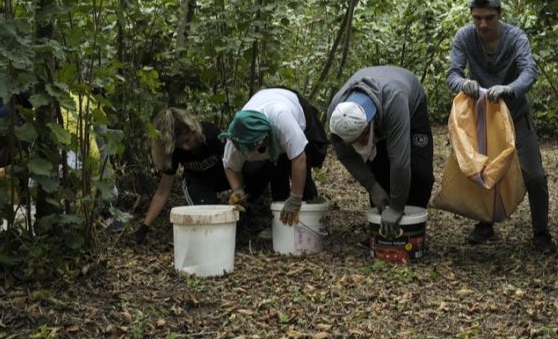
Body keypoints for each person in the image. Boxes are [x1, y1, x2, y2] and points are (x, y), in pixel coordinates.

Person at [445, 0, 555, 253]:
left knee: (535, 175)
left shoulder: (516, 37)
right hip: (482, 119)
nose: (483, 24)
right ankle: (485, 223)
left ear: (499, 14)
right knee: (482, 170)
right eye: (477, 18)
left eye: (489, 18)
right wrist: (465, 84)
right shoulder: (465, 37)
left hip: (516, 115)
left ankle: (541, 232)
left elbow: (529, 71)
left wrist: (509, 89)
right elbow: (453, 74)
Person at [133, 107, 270, 244]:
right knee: (207, 217)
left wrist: (238, 192)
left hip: (223, 175)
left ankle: (248, 210)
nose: (185, 147)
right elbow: (163, 192)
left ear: (193, 130)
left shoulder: (210, 133)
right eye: (180, 145)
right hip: (198, 182)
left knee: (258, 168)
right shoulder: (174, 151)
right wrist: (145, 226)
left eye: (187, 141)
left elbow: (234, 164)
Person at [328, 66, 434, 239]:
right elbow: (346, 155)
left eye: (359, 139)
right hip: (378, 113)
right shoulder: (337, 115)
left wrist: (397, 208)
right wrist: (372, 186)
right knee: (380, 170)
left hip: (409, 104)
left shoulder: (394, 100)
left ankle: (411, 230)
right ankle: (381, 230)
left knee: (420, 172)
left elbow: (400, 161)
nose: (355, 145)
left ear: (369, 125)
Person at [220, 87, 328, 228]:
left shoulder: (282, 118)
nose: (248, 151)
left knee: (303, 169)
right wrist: (238, 190)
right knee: (274, 169)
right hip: (264, 102)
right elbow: (230, 166)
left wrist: (295, 198)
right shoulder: (235, 136)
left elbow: (299, 158)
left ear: (263, 137)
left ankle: (312, 217)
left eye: (252, 147)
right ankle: (280, 223)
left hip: (292, 104)